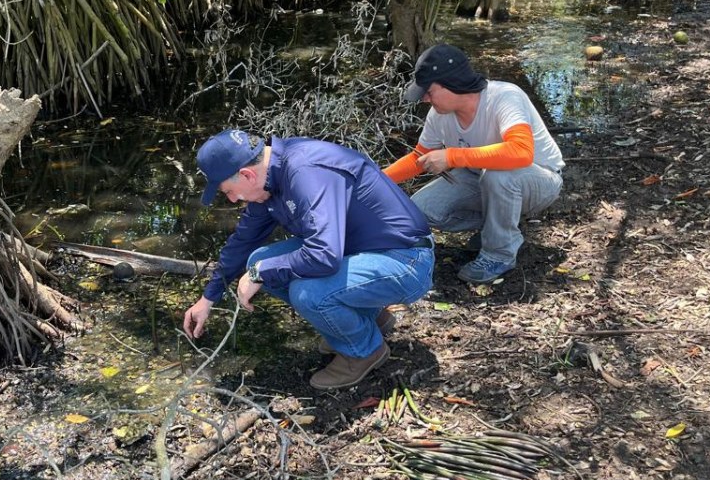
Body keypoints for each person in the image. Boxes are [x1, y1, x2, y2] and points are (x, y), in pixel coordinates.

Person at [183, 129, 434, 390]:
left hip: (407, 260)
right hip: (360, 252)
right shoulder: (268, 178)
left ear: (247, 174)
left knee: (308, 292)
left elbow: (323, 255)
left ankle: (363, 351)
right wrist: (207, 299)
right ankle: (368, 320)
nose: (233, 199)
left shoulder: (306, 172)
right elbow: (242, 243)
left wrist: (261, 273)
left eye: (229, 192)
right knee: (258, 258)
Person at [385, 44, 564, 284]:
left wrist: (451, 157)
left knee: (498, 176)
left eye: (429, 91)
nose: (425, 99)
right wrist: (373, 180)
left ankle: (499, 254)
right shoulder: (439, 115)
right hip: (479, 177)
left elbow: (521, 152)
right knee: (420, 211)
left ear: (451, 83)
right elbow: (419, 157)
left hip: (539, 180)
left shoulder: (504, 97)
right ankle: (495, 227)